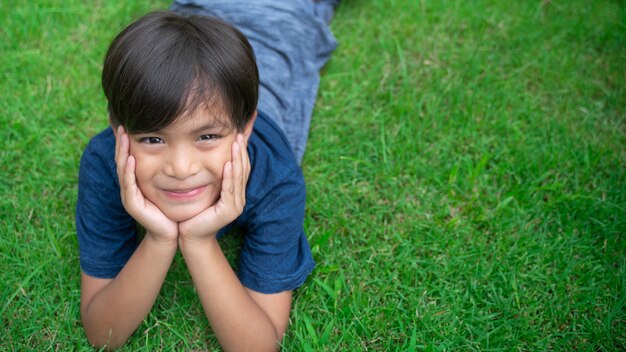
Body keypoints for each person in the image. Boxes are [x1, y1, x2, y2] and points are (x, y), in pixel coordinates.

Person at [75, 1, 338, 350]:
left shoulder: (273, 177)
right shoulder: (104, 163)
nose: (181, 169)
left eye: (207, 137)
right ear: (117, 130)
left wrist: (199, 243)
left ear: (245, 129)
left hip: (283, 21)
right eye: (153, 139)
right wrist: (159, 240)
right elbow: (102, 334)